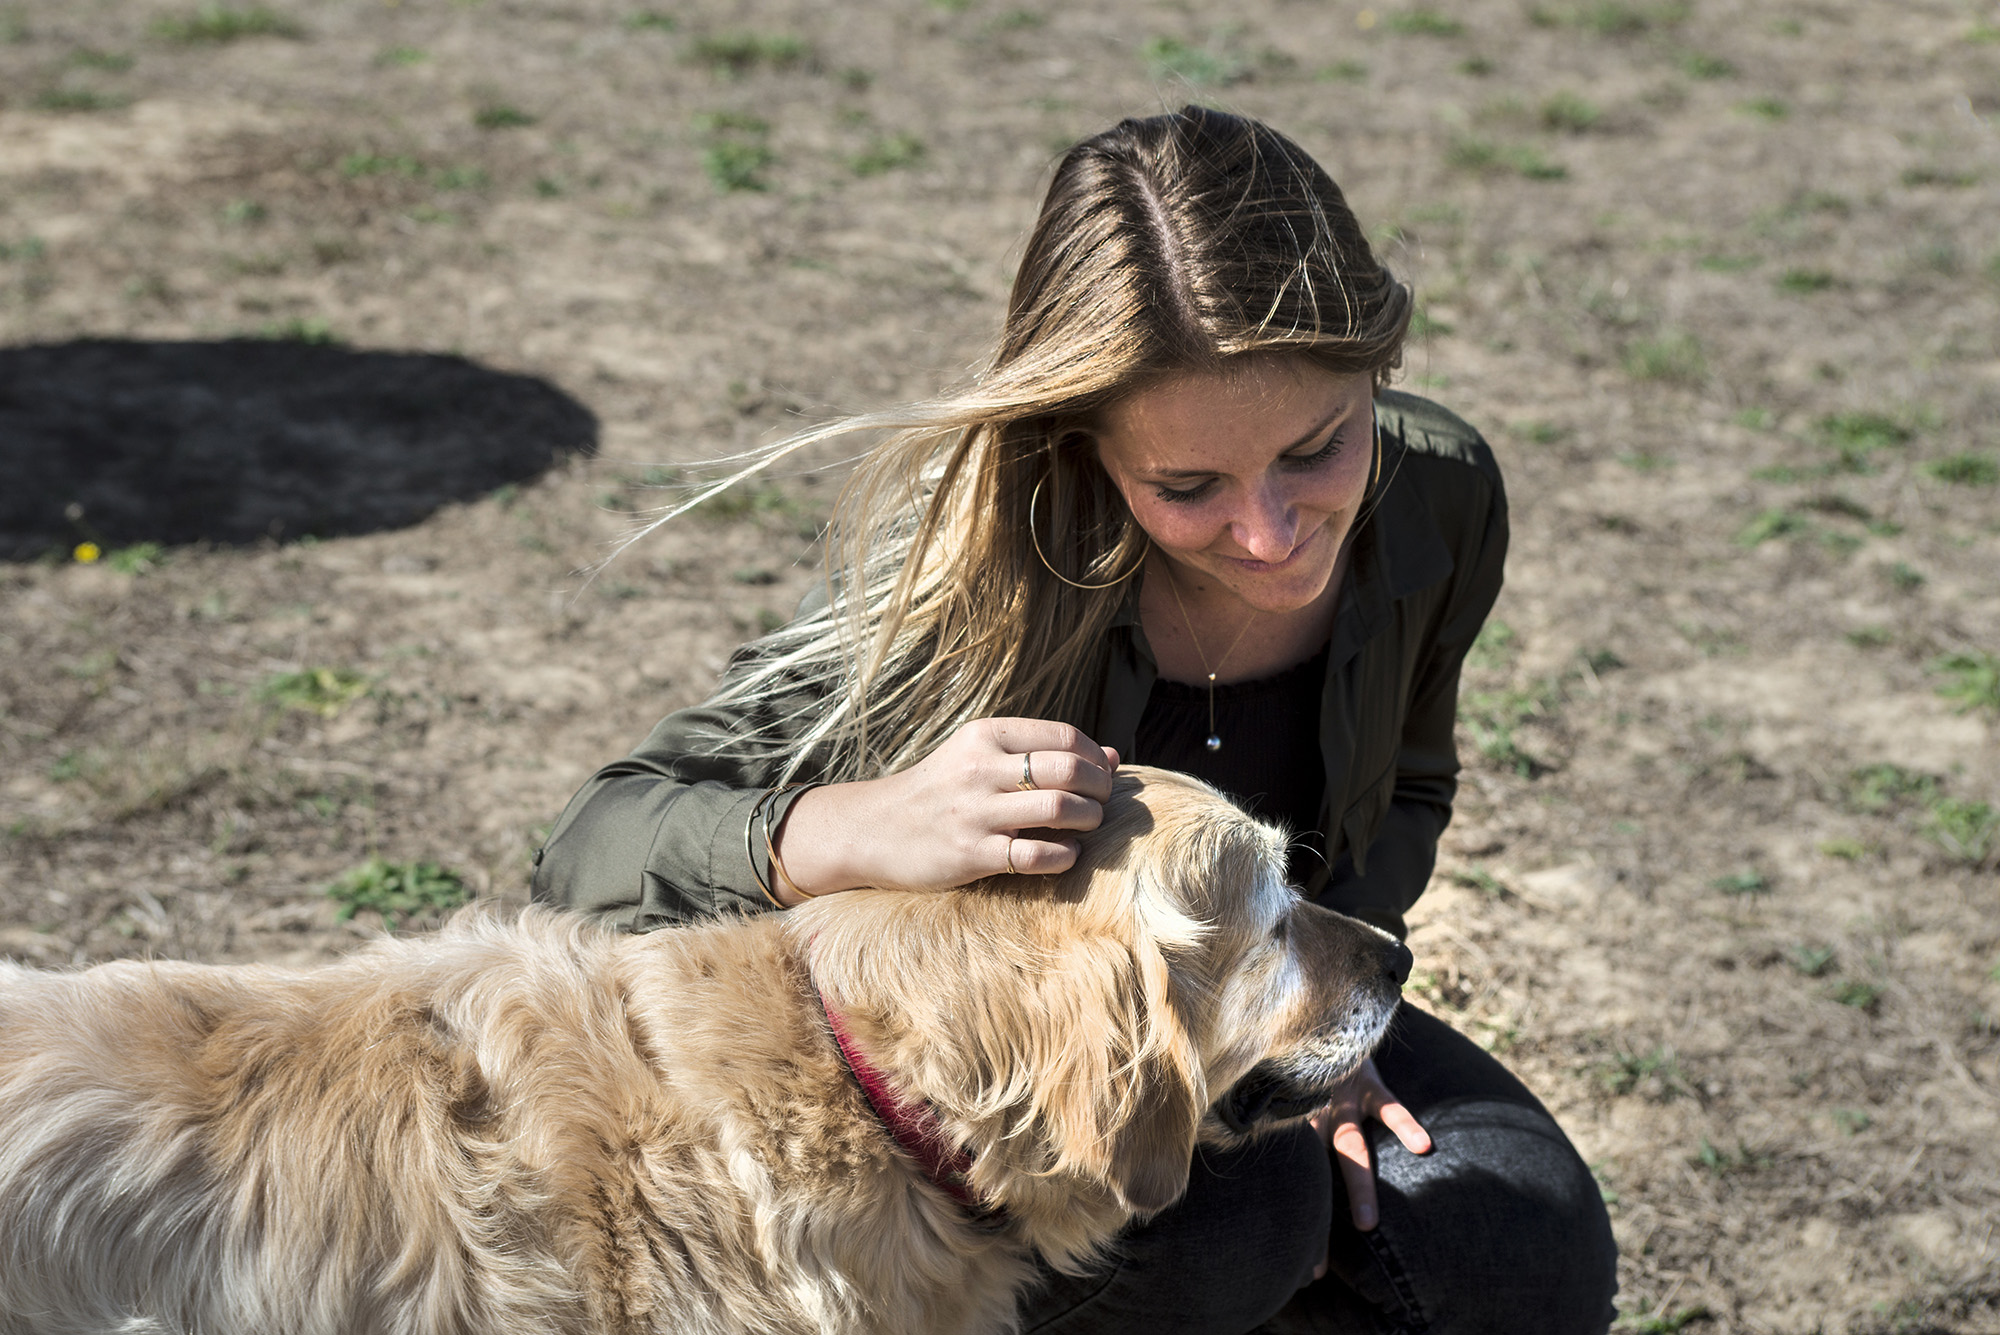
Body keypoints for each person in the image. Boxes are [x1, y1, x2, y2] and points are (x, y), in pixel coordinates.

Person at [532, 106, 1617, 1334]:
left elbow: (1408, 784)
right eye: (1186, 486)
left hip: (1255, 989)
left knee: (1519, 1245)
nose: (1265, 533)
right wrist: (860, 827)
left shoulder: (1444, 493)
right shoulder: (958, 557)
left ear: (1379, 367)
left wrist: (1327, 1009)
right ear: (1087, 450)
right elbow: (592, 847)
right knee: (1224, 1229)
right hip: (1027, 1071)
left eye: (1315, 448)